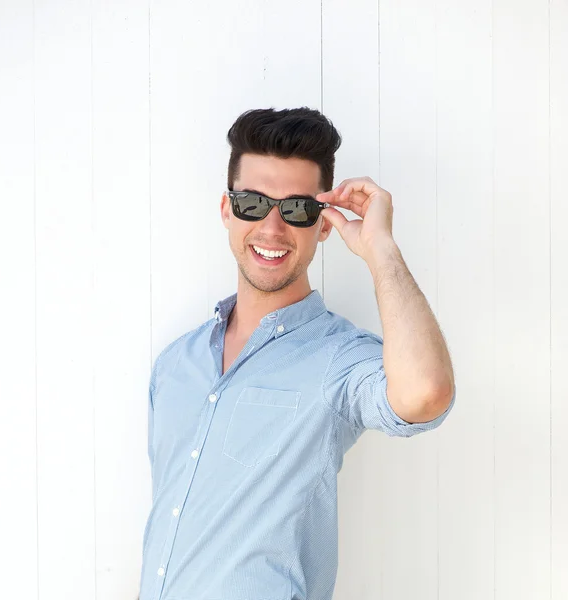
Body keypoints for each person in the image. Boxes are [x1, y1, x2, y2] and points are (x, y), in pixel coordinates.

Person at [138, 107, 457, 600]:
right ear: (226, 209)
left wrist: (381, 249)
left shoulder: (337, 360)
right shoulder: (174, 365)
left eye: (296, 210)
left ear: (324, 225)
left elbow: (425, 394)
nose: (271, 228)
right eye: (252, 204)